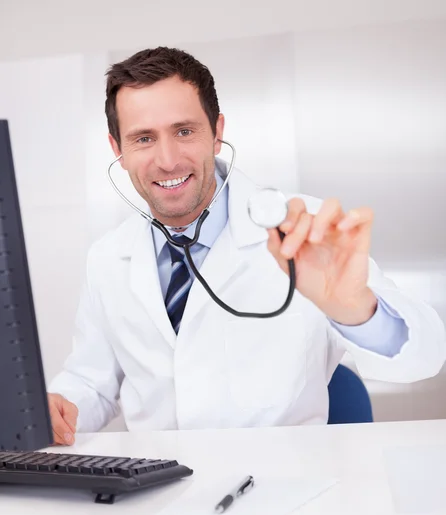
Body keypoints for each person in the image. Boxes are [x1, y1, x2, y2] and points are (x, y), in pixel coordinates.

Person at [47, 46, 445, 445]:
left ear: (217, 133)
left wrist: (355, 308)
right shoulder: (107, 258)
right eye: (144, 139)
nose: (167, 160)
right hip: (156, 489)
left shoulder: (305, 227)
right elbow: (92, 382)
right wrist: (59, 406)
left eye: (184, 131)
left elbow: (422, 357)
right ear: (118, 149)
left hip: (285, 485)